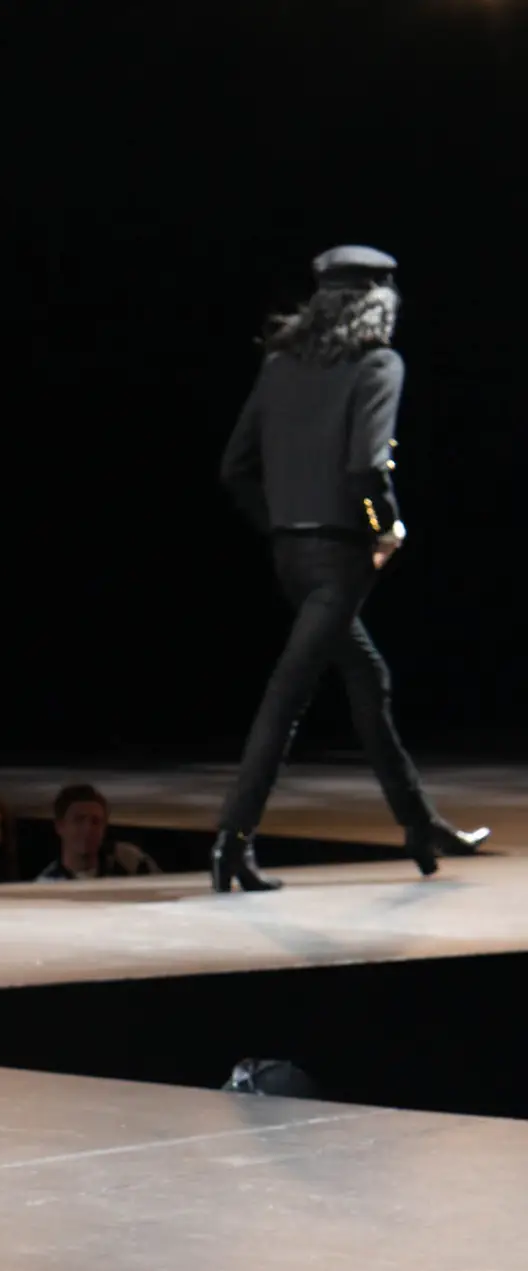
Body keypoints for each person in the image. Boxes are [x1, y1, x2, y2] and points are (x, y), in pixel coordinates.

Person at [214, 245, 487, 891]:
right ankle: (232, 840)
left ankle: (419, 824)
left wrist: (282, 525)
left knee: (367, 676)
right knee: (287, 696)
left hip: (290, 558)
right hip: (340, 559)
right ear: (378, 303)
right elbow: (367, 470)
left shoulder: (280, 364)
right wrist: (383, 527)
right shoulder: (378, 364)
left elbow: (234, 469)